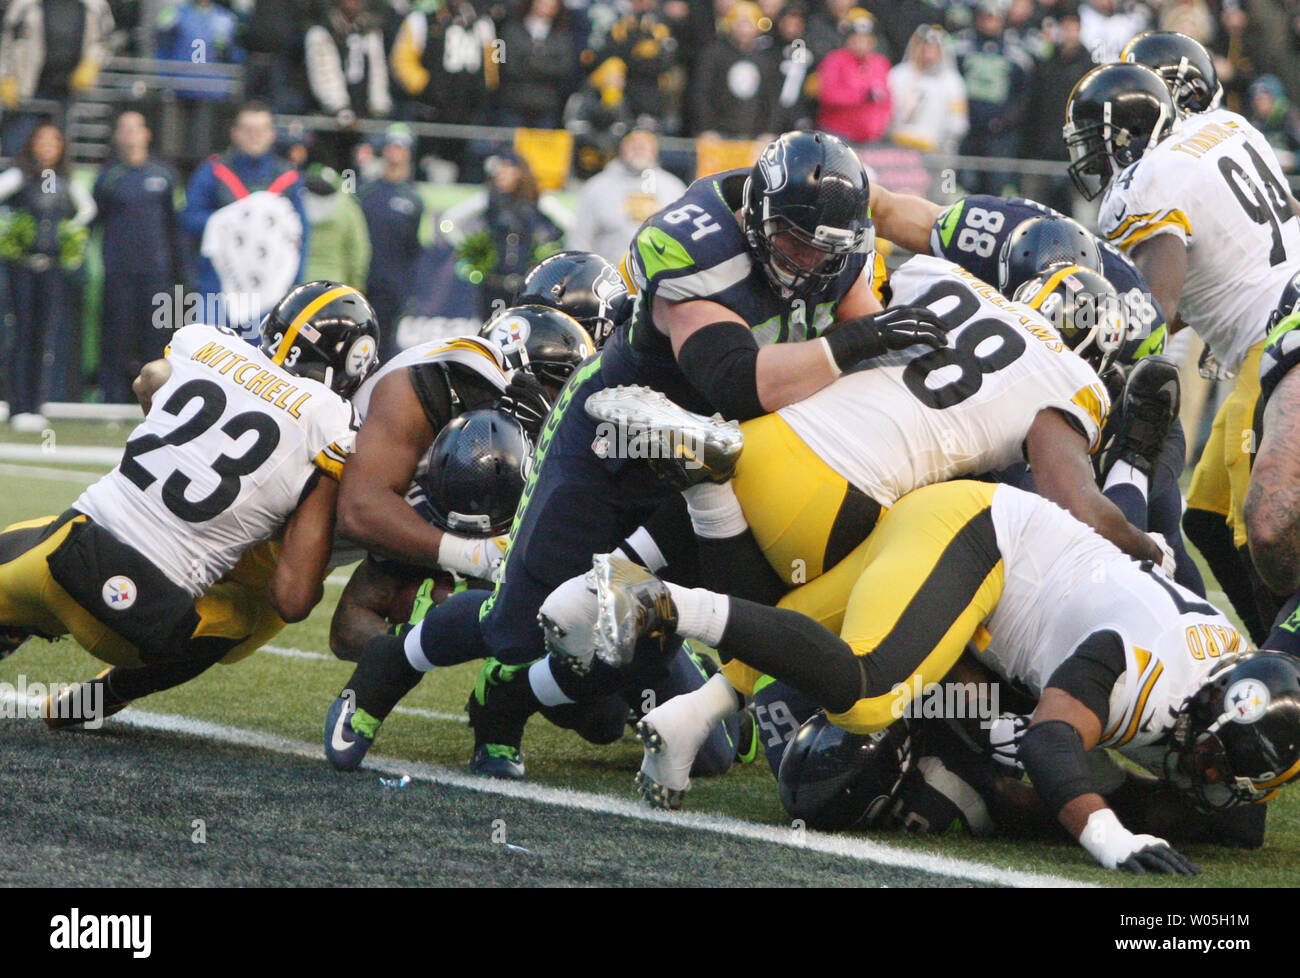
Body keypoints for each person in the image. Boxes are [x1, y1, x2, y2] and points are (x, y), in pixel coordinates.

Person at [323, 130, 949, 779]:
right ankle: (388, 668)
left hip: (700, 466)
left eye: (826, 246)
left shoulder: (835, 242)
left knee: (642, 647)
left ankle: (507, 696)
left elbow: (860, 322)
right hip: (611, 442)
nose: (809, 258)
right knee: (517, 620)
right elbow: (736, 377)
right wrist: (857, 343)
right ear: (759, 217)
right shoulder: (693, 240)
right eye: (794, 238)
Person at [585, 479, 1300, 874]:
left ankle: (694, 714)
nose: (1206, 769)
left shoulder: (1225, 676)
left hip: (1017, 612)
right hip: (978, 538)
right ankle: (671, 602)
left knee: (1229, 821)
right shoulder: (1142, 664)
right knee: (867, 694)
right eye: (1210, 754)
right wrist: (1111, 836)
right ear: (1212, 704)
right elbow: (1051, 743)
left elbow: (1238, 798)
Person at [0, 283, 379, 706]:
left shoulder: (205, 342)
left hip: (59, 559)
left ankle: (15, 621)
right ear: (355, 361)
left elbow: (149, 379)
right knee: (250, 615)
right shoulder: (332, 421)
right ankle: (98, 700)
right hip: (141, 625)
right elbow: (293, 599)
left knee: (36, 538)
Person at [1069, 51, 1300, 642]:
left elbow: (1155, 309)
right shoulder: (1230, 127)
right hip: (1268, 330)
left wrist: (1087, 343)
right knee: (1206, 517)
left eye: (1095, 145)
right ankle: (1263, 648)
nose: (1091, 162)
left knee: (1267, 525)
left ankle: (1285, 662)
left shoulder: (1148, 180)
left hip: (1273, 338)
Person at [180, 99, 308, 339]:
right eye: (248, 130)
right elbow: (189, 220)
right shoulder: (212, 172)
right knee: (207, 362)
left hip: (272, 293)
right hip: (217, 288)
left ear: (271, 134)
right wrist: (232, 220)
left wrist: (296, 284)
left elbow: (302, 236)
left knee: (262, 368)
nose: (254, 136)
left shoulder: (289, 178)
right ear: (234, 133)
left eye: (260, 130)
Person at [0, 122, 95, 430]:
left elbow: (87, 210)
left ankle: (35, 404)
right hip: (21, 267)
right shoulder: (20, 175)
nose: (47, 147)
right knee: (20, 333)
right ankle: (15, 404)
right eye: (41, 141)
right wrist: (10, 228)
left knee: (44, 336)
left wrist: (68, 233)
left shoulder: (66, 181)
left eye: (54, 142)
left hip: (51, 268)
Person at [93, 110, 186, 403]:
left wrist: (181, 276)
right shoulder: (108, 177)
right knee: (116, 336)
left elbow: (176, 226)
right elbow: (96, 222)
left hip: (158, 275)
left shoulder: (165, 174)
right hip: (120, 273)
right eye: (125, 129)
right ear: (117, 136)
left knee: (157, 339)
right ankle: (112, 399)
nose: (131, 135)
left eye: (137, 128)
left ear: (147, 133)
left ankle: (159, 400)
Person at [566, 129, 686, 265]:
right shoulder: (596, 187)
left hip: (661, 281)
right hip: (609, 279)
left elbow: (685, 239)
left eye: (645, 144)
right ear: (621, 148)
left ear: (656, 150)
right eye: (633, 144)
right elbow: (579, 239)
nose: (639, 149)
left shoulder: (674, 187)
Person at [358, 124, 424, 360]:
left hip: (393, 286)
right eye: (391, 146)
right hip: (364, 280)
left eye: (401, 147)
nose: (395, 152)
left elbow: (416, 248)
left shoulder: (414, 199)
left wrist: (409, 290)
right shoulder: (366, 192)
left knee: (385, 346)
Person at [887, 23, 968, 155]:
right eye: (924, 47)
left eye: (933, 49)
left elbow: (957, 122)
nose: (928, 53)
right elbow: (887, 110)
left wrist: (944, 143)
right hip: (897, 149)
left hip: (934, 152)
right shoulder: (898, 75)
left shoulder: (952, 83)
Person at [815, 8, 892, 145]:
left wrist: (880, 126)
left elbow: (887, 99)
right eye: (857, 38)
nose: (861, 43)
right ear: (849, 39)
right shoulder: (835, 60)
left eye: (866, 39)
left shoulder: (880, 63)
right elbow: (827, 95)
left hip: (871, 137)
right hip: (839, 134)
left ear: (873, 41)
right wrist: (862, 95)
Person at [301, 164, 370, 291]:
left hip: (299, 285)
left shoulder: (298, 204)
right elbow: (358, 253)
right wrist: (355, 288)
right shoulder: (348, 207)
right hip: (335, 286)